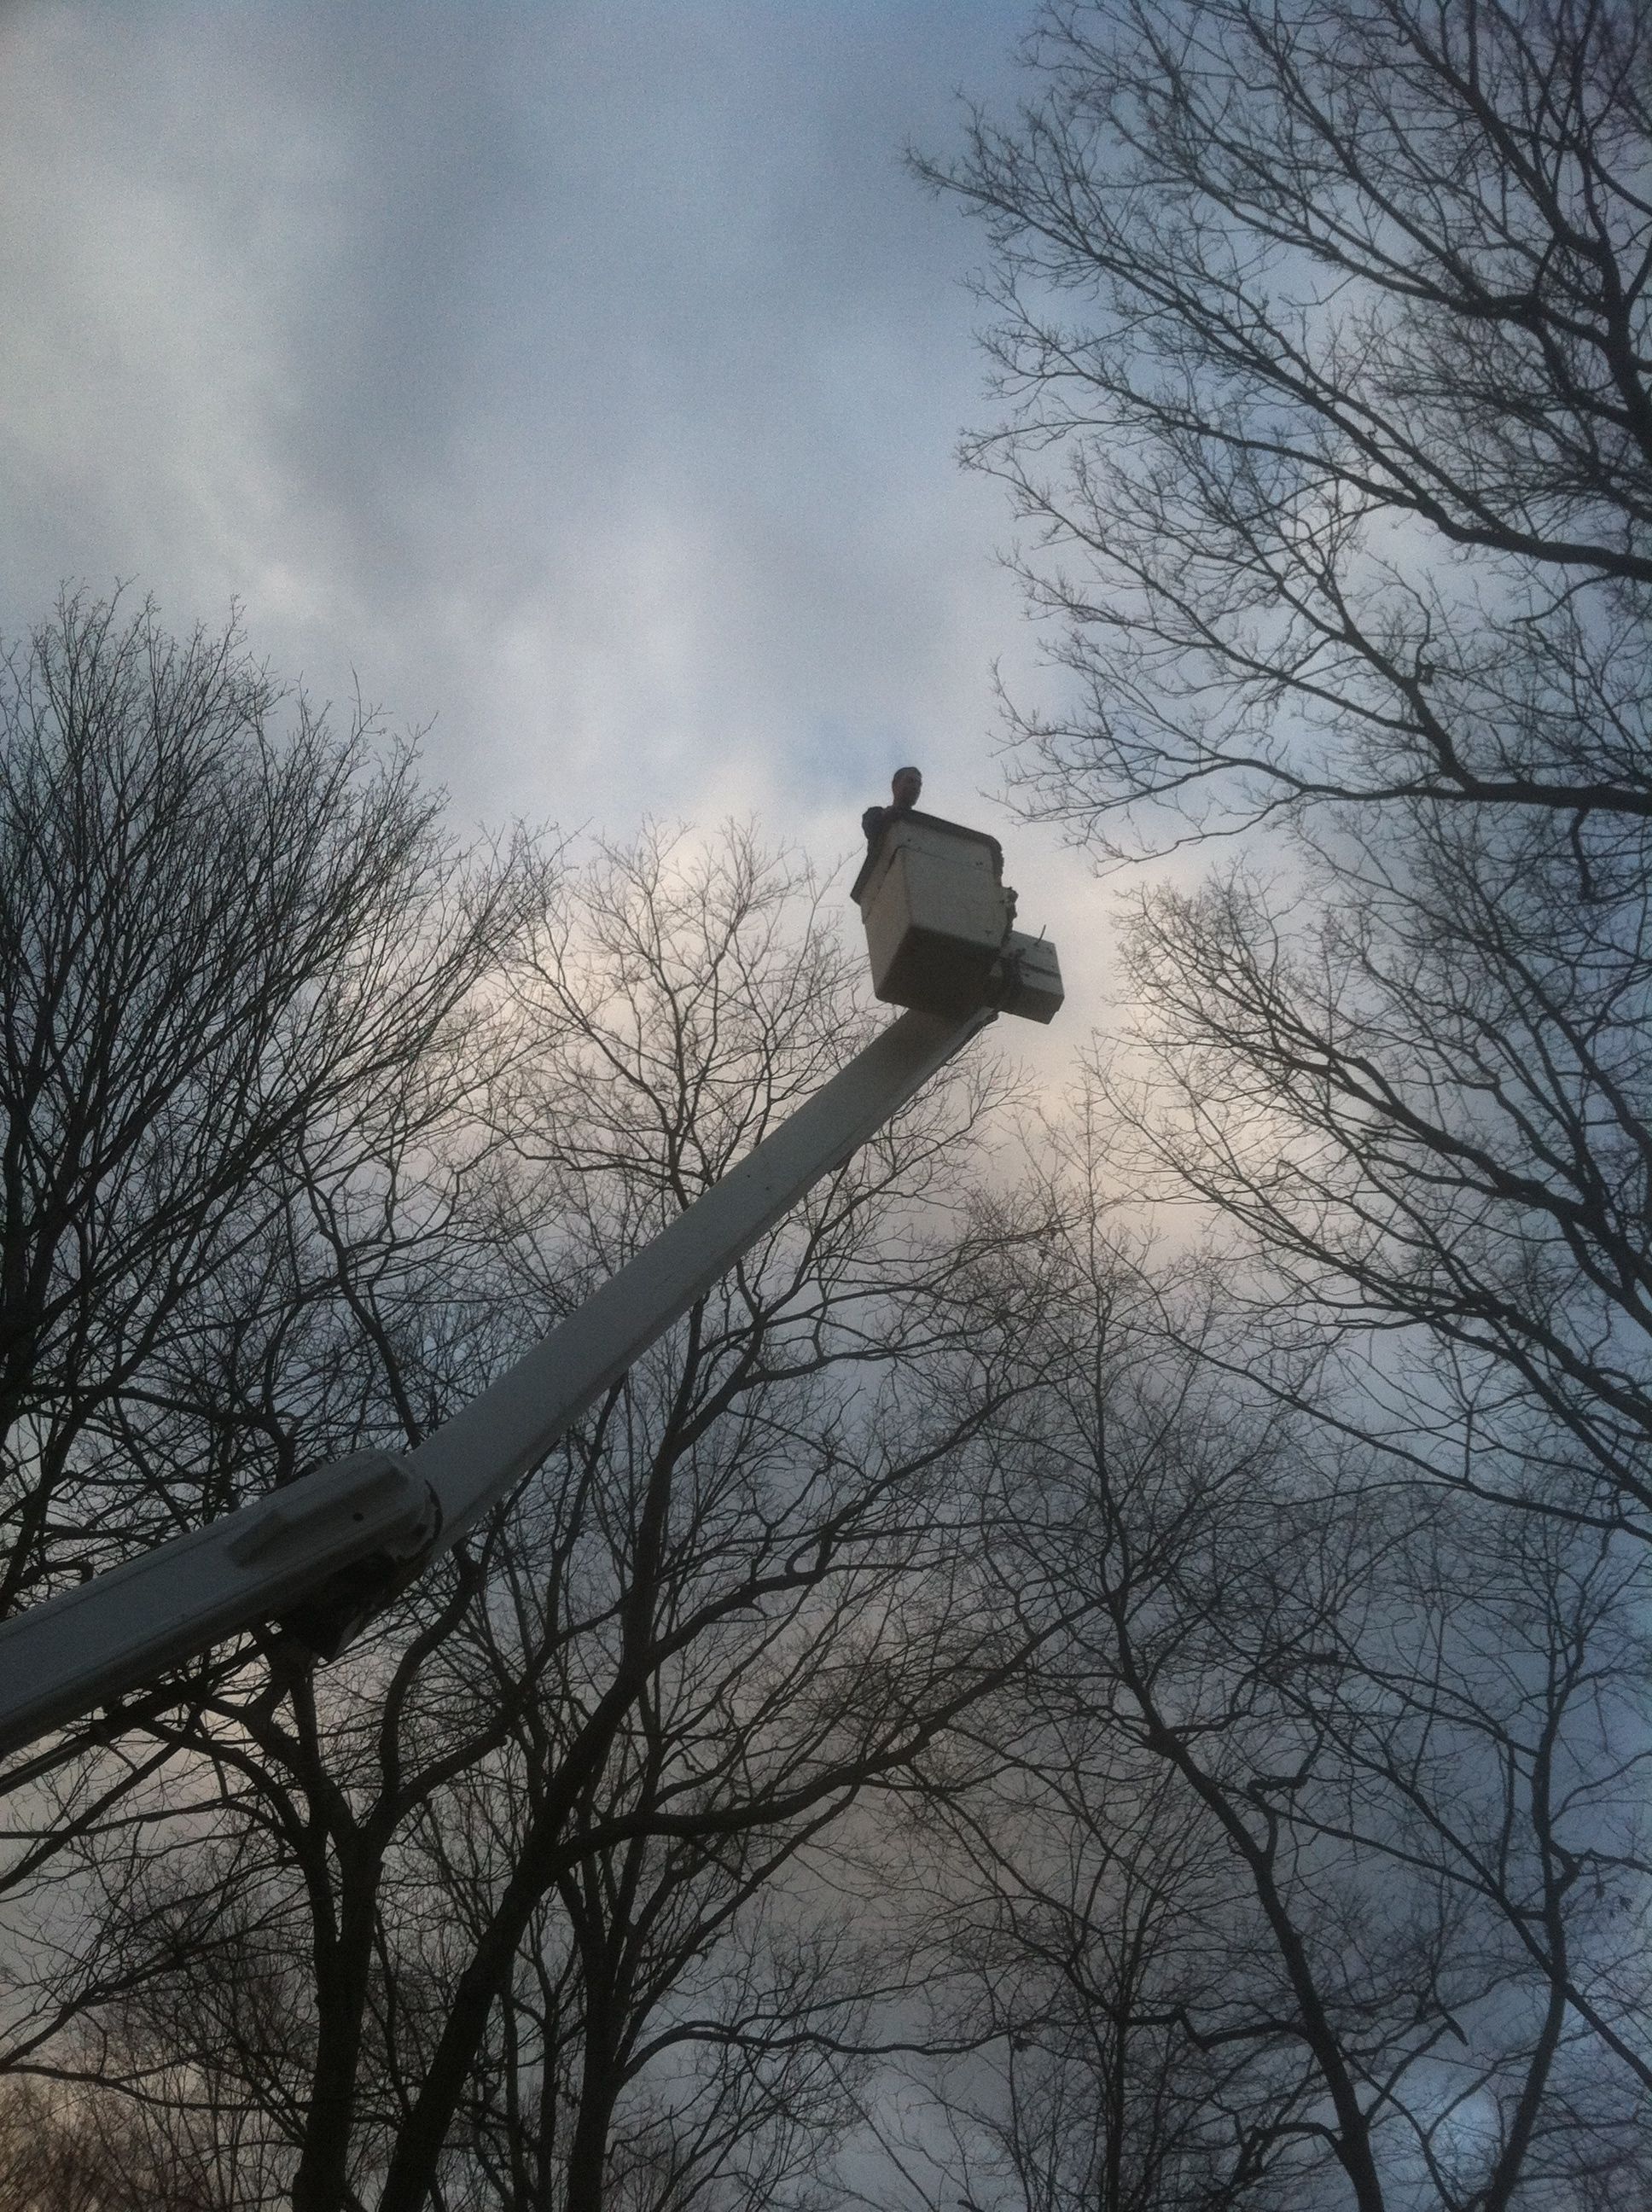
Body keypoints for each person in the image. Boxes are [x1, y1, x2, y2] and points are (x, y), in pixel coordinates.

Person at [861, 765, 922, 848]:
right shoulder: (874, 814)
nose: (916, 787)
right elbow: (871, 828)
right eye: (910, 781)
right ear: (895, 785)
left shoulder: (920, 824)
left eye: (919, 785)